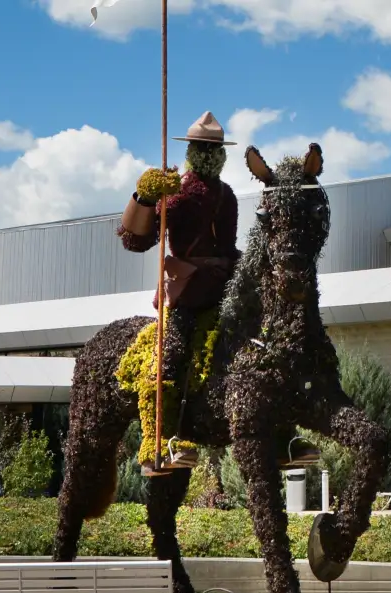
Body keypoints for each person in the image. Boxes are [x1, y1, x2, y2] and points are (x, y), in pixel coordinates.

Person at [117, 111, 318, 474]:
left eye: (214, 148)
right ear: (192, 150)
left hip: (228, 288)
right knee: (170, 354)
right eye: (202, 147)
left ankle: (281, 436)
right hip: (189, 291)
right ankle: (156, 443)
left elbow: (227, 247)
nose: (208, 153)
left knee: (270, 346)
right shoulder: (174, 193)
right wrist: (144, 199)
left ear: (223, 154)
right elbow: (136, 240)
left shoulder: (228, 196)